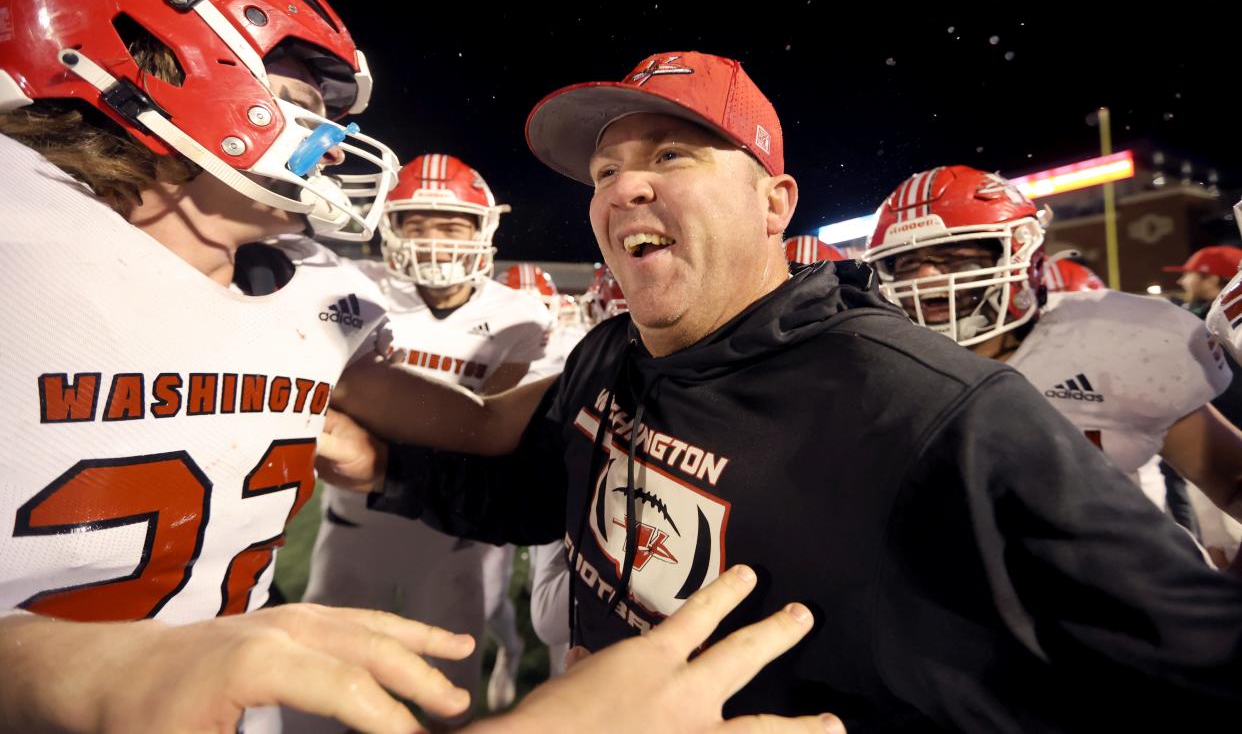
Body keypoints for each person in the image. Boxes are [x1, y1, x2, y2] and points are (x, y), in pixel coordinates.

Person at [0, 0, 839, 733]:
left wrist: (690, 346)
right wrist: (81, 671)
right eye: (296, 100)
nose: (331, 141)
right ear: (158, 70)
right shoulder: (21, 233)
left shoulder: (306, 288)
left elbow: (485, 424)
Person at [320, 51, 1242, 731]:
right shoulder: (612, 351)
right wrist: (382, 467)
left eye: (673, 157)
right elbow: (539, 498)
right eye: (605, 174)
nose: (623, 186)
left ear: (775, 204)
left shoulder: (932, 410)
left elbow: (1200, 662)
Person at [298, 154, 549, 729]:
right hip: (353, 529)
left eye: (451, 225)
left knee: (448, 696)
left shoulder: (518, 315)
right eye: (417, 224)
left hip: (454, 537)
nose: (433, 241)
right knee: (312, 699)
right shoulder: (354, 292)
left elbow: (492, 435)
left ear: (483, 230)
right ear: (391, 226)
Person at [862, 165, 1242, 535]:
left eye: (952, 255)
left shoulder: (1112, 340)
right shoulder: (878, 366)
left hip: (1124, 586)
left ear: (1018, 251)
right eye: (908, 262)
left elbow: (1233, 483)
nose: (926, 278)